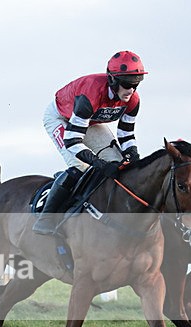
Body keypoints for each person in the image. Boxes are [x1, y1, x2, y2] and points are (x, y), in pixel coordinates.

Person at [34, 51, 147, 235]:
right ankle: (46, 218)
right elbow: (72, 140)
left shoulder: (133, 100)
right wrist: (98, 163)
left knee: (118, 164)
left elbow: (126, 133)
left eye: (136, 84)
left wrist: (133, 156)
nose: (131, 90)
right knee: (80, 165)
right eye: (127, 84)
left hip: (91, 122)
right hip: (61, 118)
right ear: (112, 80)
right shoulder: (91, 93)